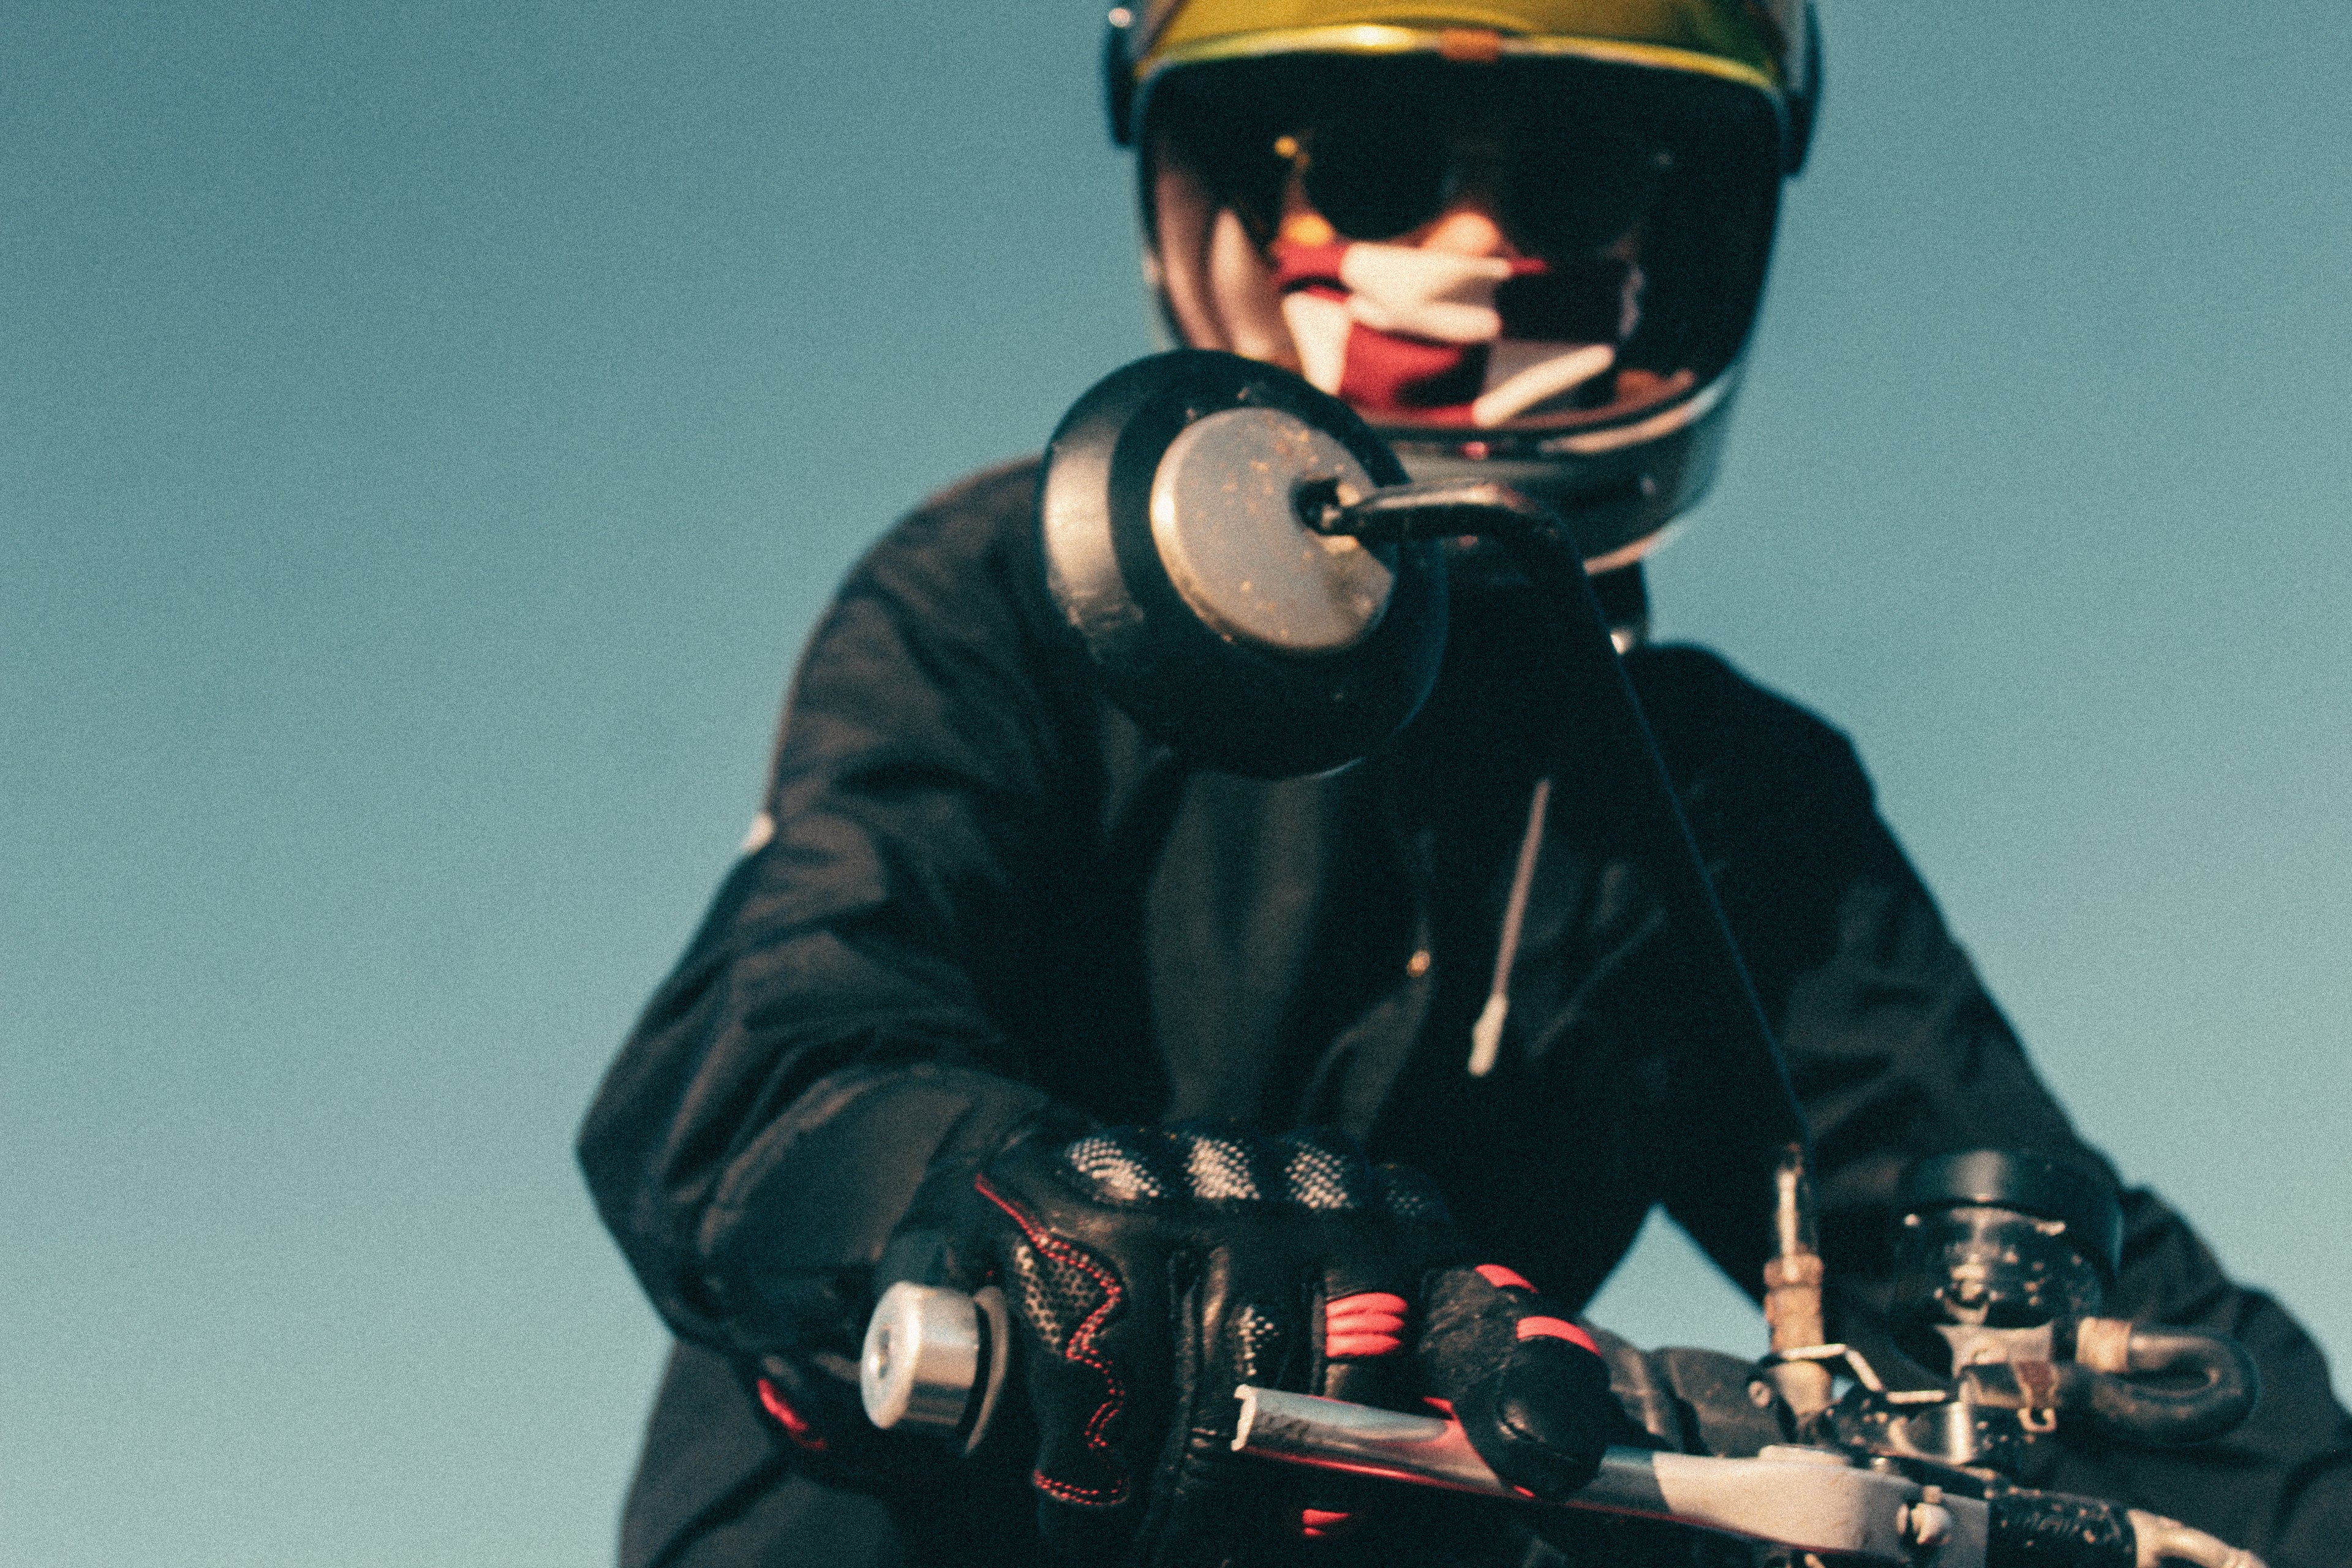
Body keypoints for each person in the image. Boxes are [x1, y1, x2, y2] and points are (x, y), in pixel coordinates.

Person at [578, 4, 2352, 1566]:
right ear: (1236, 211)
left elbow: (2009, 1245)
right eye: (1369, 161)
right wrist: (1002, 1207)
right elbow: (770, 1047)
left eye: (1575, 178)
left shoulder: (1725, 796)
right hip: (905, 1520)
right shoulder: (1015, 590)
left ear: (1691, 234)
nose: (1471, 245)